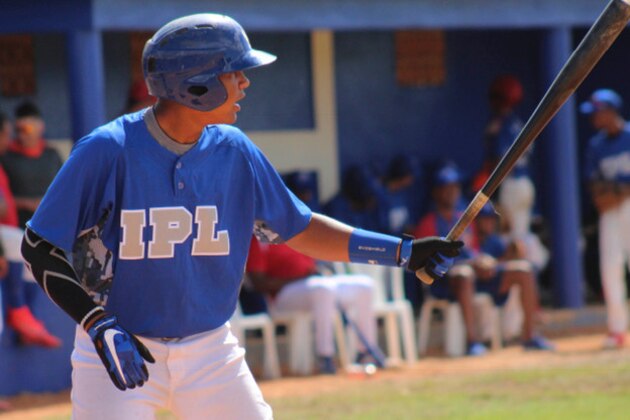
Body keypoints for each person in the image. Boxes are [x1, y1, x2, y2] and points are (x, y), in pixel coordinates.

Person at [20, 14, 462, 419]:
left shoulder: (234, 150)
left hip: (211, 351)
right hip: (118, 350)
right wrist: (96, 325)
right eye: (235, 72)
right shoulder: (107, 150)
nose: (245, 84)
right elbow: (38, 247)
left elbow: (300, 227)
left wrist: (403, 252)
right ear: (197, 84)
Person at [246, 237, 378, 374]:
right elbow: (258, 283)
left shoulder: (295, 232)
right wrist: (301, 278)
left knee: (364, 286)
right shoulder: (259, 239)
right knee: (323, 288)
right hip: (282, 296)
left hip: (313, 287)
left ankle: (366, 353)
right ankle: (325, 357)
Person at [0, 110, 61, 348]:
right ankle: (18, 311)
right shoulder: (8, 159)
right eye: (15, 131)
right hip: (14, 233)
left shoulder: (51, 154)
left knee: (34, 264)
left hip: (36, 231)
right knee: (18, 244)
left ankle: (26, 317)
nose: (15, 137)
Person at [414, 164, 488, 356]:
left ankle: (529, 336)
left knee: (521, 270)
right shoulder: (427, 223)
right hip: (442, 282)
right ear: (436, 192)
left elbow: (474, 251)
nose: (452, 192)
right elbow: (425, 264)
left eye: (455, 187)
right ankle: (473, 341)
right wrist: (470, 265)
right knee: (464, 274)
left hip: (473, 276)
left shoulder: (463, 219)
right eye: (446, 188)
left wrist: (485, 261)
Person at [581, 88, 630, 350]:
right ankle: (617, 329)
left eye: (598, 113)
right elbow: (594, 185)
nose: (594, 119)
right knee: (610, 268)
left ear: (611, 111)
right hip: (609, 211)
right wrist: (612, 193)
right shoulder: (596, 145)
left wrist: (621, 191)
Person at [473, 203, 554, 351]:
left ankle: (529, 335)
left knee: (524, 271)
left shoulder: (495, 241)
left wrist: (511, 253)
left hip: (493, 284)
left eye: (491, 219)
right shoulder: (469, 238)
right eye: (484, 219)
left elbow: (506, 259)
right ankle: (473, 342)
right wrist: (478, 263)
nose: (489, 223)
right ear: (476, 221)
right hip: (470, 285)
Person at [475, 75, 535, 240]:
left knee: (509, 239)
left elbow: (500, 162)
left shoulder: (501, 124)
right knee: (520, 235)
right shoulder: (518, 123)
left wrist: (491, 192)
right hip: (525, 183)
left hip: (509, 185)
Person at [0, 101, 63, 228]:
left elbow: (65, 188)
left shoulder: (52, 155)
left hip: (51, 224)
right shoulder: (6, 157)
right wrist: (28, 203)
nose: (21, 135)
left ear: (40, 127)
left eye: (26, 129)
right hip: (20, 227)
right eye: (17, 130)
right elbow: (5, 197)